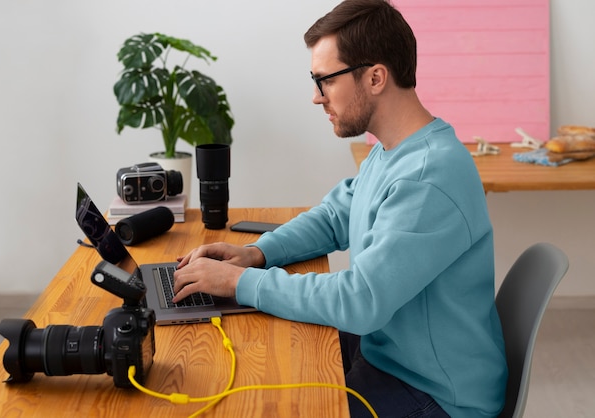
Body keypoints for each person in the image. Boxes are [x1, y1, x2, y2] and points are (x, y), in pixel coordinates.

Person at [173, 0, 508, 416]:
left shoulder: (428, 175)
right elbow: (336, 216)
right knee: (258, 362)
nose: (316, 98)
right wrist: (257, 253)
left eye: (325, 81)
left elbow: (360, 300)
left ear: (375, 77)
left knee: (266, 400)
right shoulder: (392, 151)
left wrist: (240, 282)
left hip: (433, 393)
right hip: (391, 355)